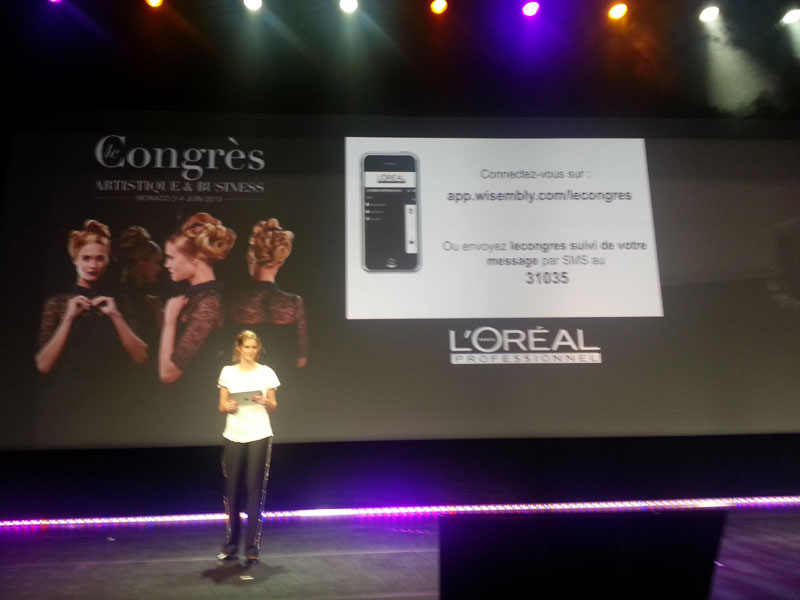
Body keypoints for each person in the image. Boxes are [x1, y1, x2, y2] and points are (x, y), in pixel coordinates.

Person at [36, 219, 148, 374]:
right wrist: (68, 318)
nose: (93, 265)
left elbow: (141, 357)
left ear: (107, 260)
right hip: (69, 386)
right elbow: (43, 365)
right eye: (86, 258)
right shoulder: (56, 304)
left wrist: (115, 315)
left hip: (112, 385)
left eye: (99, 258)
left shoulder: (119, 302)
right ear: (75, 260)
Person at [217, 330, 280, 564]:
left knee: (254, 489)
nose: (250, 351)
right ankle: (232, 544)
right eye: (247, 347)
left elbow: (273, 405)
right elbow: (221, 406)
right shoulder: (228, 372)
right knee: (232, 490)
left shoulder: (266, 372)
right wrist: (229, 406)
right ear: (239, 348)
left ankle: (252, 547)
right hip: (234, 433)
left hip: (259, 433)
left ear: (258, 349)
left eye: (254, 347)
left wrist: (265, 401)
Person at [158, 212, 236, 384]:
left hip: (193, 394)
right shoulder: (194, 296)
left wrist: (170, 320)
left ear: (193, 258)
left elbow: (168, 374)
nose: (166, 265)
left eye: (171, 257)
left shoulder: (209, 302)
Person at [228, 218, 308, 374]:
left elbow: (225, 353)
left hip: (243, 381)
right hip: (282, 381)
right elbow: (302, 359)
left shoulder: (235, 301)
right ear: (281, 262)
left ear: (250, 258)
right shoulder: (294, 302)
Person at [116, 225, 164, 355]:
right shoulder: (123, 299)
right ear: (142, 261)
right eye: (157, 262)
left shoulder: (145, 298)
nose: (160, 268)